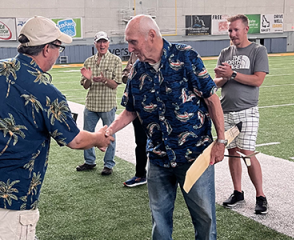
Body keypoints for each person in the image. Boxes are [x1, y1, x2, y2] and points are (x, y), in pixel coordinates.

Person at [0, 16, 114, 240]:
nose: (59, 53)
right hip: (7, 189)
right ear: (46, 49)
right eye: (58, 47)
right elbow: (76, 140)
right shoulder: (47, 92)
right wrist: (100, 138)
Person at [106, 15, 226, 240]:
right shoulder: (137, 70)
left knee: (204, 218)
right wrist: (108, 131)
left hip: (194, 156)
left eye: (133, 42)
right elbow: (130, 110)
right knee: (159, 219)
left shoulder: (186, 56)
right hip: (159, 158)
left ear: (151, 35)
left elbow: (211, 99)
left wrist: (221, 141)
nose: (130, 48)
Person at [213, 14, 269, 215]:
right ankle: (238, 192)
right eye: (230, 30)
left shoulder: (258, 50)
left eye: (236, 29)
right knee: (233, 152)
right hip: (226, 111)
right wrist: (221, 77)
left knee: (247, 152)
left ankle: (260, 195)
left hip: (247, 110)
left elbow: (258, 80)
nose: (232, 33)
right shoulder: (225, 52)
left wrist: (232, 74)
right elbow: (218, 83)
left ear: (246, 29)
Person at [76, 31, 123, 176]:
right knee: (86, 134)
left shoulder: (115, 60)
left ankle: (108, 164)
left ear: (108, 43)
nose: (102, 44)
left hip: (107, 105)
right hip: (91, 104)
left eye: (104, 42)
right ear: (95, 44)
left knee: (109, 134)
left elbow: (115, 84)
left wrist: (104, 80)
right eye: (99, 42)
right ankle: (89, 161)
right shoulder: (88, 61)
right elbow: (85, 85)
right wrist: (89, 79)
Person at [121, 53, 148, 187]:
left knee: (162, 142)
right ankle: (140, 174)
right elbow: (125, 77)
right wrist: (129, 73)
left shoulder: (162, 53)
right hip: (137, 105)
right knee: (141, 142)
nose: (130, 48)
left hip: (158, 108)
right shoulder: (134, 55)